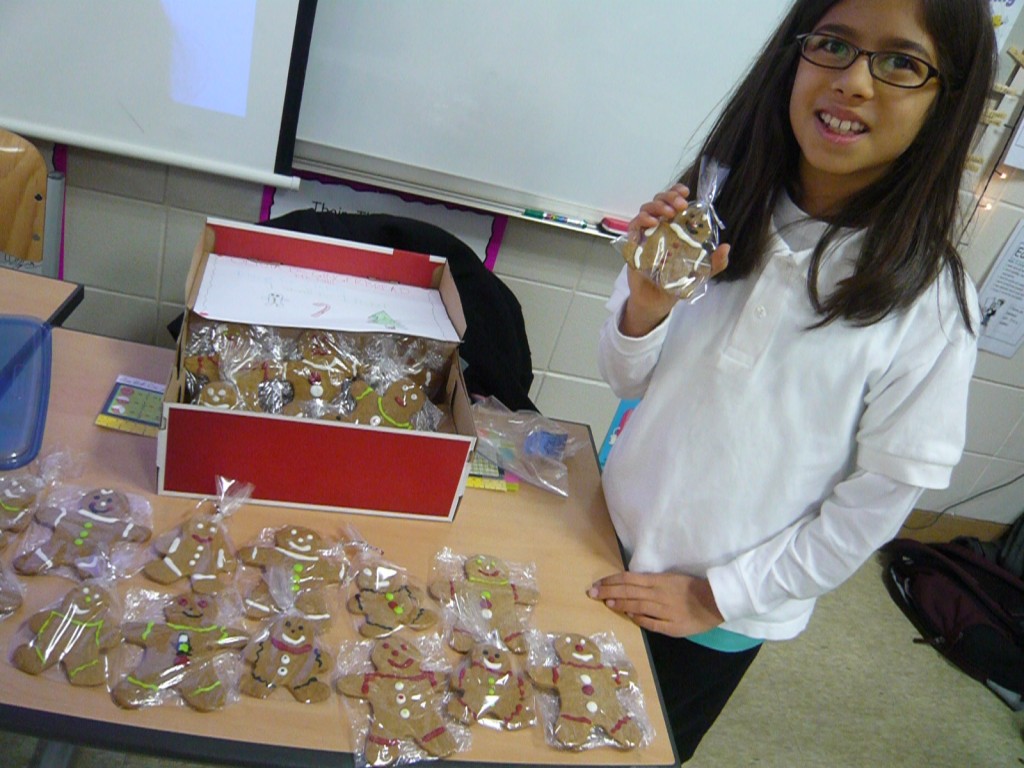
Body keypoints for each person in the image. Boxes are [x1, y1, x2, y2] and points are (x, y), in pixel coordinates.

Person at [587, 0, 996, 762]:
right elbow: (624, 380)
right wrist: (645, 305)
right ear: (794, 55)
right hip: (604, 533)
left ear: (949, 98)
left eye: (901, 62)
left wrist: (715, 596)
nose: (854, 83)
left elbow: (873, 506)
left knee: (630, 749)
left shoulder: (930, 301)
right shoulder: (712, 204)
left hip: (717, 611)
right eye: (833, 46)